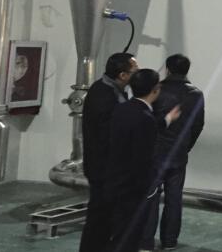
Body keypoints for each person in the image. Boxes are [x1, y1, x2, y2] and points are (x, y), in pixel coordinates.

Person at [105, 69, 181, 252]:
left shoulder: (122, 109)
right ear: (156, 89)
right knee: (131, 235)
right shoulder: (145, 118)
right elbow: (142, 158)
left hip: (115, 182)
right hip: (133, 188)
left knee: (118, 232)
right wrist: (149, 187)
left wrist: (167, 120)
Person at [140, 54, 205, 252]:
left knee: (150, 198)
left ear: (167, 69)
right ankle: (169, 241)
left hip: (154, 153)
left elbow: (146, 121)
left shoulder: (156, 90)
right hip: (178, 154)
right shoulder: (196, 94)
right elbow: (198, 125)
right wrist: (186, 146)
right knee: (174, 198)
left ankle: (146, 242)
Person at [79, 52, 138, 252]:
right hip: (103, 170)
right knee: (99, 219)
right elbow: (108, 136)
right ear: (123, 75)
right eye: (135, 72)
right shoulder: (103, 95)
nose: (137, 75)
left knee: (107, 219)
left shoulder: (113, 90)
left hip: (108, 169)